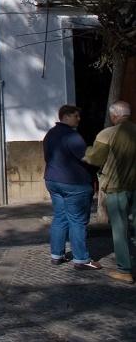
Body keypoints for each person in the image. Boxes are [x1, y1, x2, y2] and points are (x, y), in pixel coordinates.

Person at [43, 104, 102, 270]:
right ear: (66, 116)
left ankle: (56, 255)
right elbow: (87, 158)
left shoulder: (50, 134)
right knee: (77, 220)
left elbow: (48, 157)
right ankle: (81, 259)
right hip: (74, 183)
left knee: (60, 217)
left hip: (52, 180)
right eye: (76, 116)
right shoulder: (72, 136)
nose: (79, 119)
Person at [85, 101, 136, 284]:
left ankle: (124, 270)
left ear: (114, 116)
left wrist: (87, 151)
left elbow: (96, 158)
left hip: (116, 188)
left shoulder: (107, 134)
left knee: (120, 230)